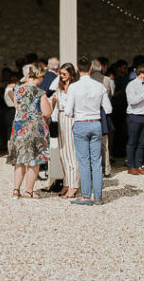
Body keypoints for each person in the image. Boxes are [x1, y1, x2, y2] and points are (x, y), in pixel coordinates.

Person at [63, 58, 112, 205]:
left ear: (78, 68)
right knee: (96, 162)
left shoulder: (74, 87)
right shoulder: (99, 86)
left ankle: (85, 195)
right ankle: (98, 196)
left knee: (84, 162)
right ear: (91, 68)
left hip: (81, 122)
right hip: (95, 123)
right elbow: (108, 109)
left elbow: (67, 111)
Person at [7, 65, 52, 199]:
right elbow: (47, 112)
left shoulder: (16, 90)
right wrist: (52, 103)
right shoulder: (40, 92)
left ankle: (16, 190)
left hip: (19, 128)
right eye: (42, 77)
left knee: (19, 160)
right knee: (33, 161)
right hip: (35, 129)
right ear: (38, 76)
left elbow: (17, 107)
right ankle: (29, 191)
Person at [52, 63, 80, 198]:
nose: (62, 76)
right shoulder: (59, 87)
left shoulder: (75, 87)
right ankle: (66, 182)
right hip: (61, 118)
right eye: (60, 73)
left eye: (64, 74)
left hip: (71, 118)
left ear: (71, 74)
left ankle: (74, 185)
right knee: (63, 152)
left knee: (71, 153)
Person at [126, 63, 144, 175]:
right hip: (134, 116)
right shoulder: (131, 85)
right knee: (132, 142)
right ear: (141, 74)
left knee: (142, 143)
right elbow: (132, 101)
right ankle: (130, 166)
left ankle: (138, 165)